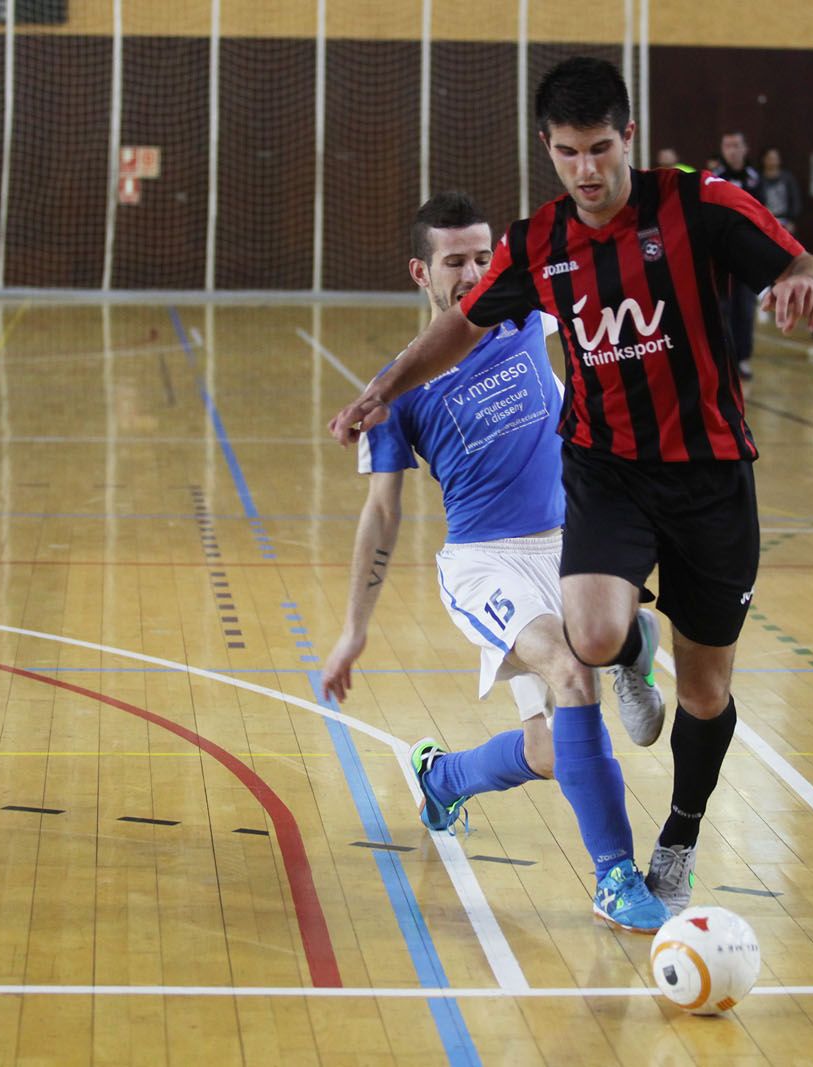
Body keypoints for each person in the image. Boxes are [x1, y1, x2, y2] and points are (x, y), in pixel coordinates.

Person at [329, 58, 813, 913]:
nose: (588, 170)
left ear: (628, 136)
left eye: (601, 148)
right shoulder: (528, 262)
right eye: (569, 152)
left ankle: (636, 818)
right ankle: (613, 869)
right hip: (560, 511)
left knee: (673, 702)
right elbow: (449, 344)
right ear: (547, 148)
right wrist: (384, 389)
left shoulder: (685, 209)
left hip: (698, 483)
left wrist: (804, 280)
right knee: (583, 653)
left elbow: (803, 262)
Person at [319, 191, 671, 933]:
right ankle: (614, 875)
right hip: (489, 564)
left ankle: (442, 777)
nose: (475, 271)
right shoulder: (401, 387)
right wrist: (354, 628)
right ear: (422, 271)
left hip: (576, 543)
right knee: (571, 673)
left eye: (485, 256)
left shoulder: (526, 314)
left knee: (549, 749)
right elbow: (383, 512)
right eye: (456, 261)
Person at [715, 130, 763, 380]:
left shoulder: (755, 180)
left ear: (745, 148)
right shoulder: (714, 178)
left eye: (736, 145)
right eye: (727, 145)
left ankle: (743, 359)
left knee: (744, 308)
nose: (732, 150)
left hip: (747, 256)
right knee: (719, 307)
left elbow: (763, 217)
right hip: (721, 255)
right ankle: (723, 360)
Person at [757, 147, 803, 233]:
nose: (772, 162)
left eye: (775, 158)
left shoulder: (788, 178)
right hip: (765, 221)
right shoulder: (758, 179)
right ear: (764, 160)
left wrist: (791, 220)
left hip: (785, 221)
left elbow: (795, 200)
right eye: (770, 158)